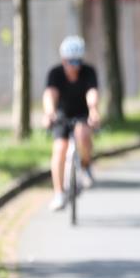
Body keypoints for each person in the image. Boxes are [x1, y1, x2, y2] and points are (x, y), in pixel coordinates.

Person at [43, 35, 100, 211]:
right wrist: (49, 113)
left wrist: (94, 110)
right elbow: (50, 94)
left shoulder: (89, 72)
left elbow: (92, 93)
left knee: (83, 134)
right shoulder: (55, 73)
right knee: (59, 149)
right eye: (70, 62)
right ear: (63, 60)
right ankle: (59, 193)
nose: (73, 66)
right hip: (62, 115)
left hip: (82, 114)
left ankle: (85, 165)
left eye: (77, 62)